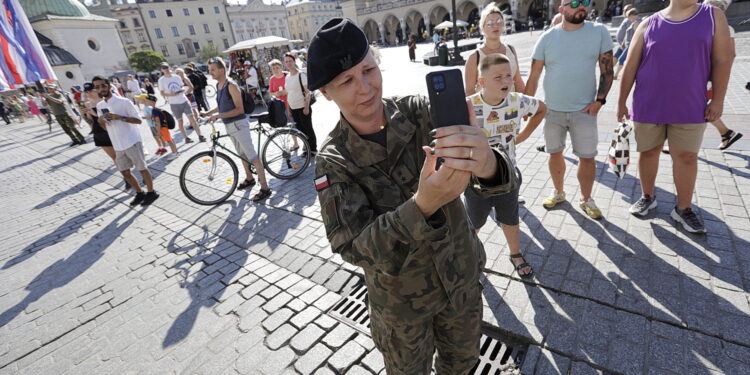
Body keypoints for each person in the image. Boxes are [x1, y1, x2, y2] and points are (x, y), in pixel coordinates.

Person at [310, 18, 515, 374]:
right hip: (402, 308)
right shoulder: (334, 162)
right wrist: (423, 205)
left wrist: (487, 163)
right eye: (346, 81)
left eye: (369, 70)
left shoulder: (420, 111)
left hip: (460, 283)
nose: (365, 88)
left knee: (463, 366)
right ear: (326, 93)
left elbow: (499, 182)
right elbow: (354, 247)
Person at [617, 0, 732, 233]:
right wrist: (620, 102)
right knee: (648, 152)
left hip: (689, 104)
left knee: (687, 157)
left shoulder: (712, 15)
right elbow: (630, 66)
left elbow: (723, 59)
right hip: (648, 104)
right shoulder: (648, 23)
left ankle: (683, 208)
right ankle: (648, 196)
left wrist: (718, 99)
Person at [525, 0, 614, 220]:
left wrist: (600, 101)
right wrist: (527, 105)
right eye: (574, 2)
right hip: (552, 111)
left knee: (587, 157)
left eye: (585, 2)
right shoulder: (547, 38)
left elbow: (607, 70)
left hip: (584, 111)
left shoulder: (599, 32)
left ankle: (586, 198)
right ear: (562, 8)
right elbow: (534, 74)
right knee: (554, 153)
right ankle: (559, 192)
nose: (581, 6)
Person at [466, 53, 548, 278]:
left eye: (508, 76)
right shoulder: (469, 106)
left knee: (510, 218)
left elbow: (542, 108)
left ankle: (515, 253)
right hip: (476, 179)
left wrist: (524, 135)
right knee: (474, 222)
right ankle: (467, 254)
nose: (505, 81)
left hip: (508, 175)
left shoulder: (518, 101)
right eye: (498, 77)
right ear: (481, 82)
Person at [200, 57, 272, 202]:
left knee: (252, 156)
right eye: (209, 70)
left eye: (213, 70)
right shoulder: (219, 86)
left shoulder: (231, 85)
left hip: (239, 124)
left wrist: (218, 116)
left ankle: (265, 188)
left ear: (221, 70)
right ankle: (249, 178)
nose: (210, 73)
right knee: (242, 154)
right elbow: (223, 106)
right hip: (229, 125)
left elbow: (239, 109)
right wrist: (208, 113)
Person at [93, 76, 160, 206]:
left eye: (103, 85)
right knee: (124, 172)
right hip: (117, 144)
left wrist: (120, 117)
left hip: (132, 141)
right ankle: (140, 193)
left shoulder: (124, 102)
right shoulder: (100, 105)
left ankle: (152, 192)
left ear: (108, 86)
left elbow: (138, 120)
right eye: (97, 87)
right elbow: (106, 128)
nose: (101, 89)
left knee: (141, 169)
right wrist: (100, 122)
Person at [703, 0, 743, 150]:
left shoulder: (726, 28)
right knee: (701, 107)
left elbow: (731, 55)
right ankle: (726, 133)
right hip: (701, 73)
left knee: (700, 107)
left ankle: (685, 144)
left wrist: (717, 77)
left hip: (708, 75)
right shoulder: (702, 24)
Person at [465, 3, 525, 96]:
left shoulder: (511, 50)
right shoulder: (474, 57)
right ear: (482, 27)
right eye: (490, 23)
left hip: (511, 107)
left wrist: (524, 106)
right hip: (486, 108)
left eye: (499, 22)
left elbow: (518, 81)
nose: (495, 25)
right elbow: (469, 91)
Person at [158, 62, 205, 144]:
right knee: (180, 121)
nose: (166, 69)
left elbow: (181, 86)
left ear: (169, 67)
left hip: (184, 100)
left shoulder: (176, 77)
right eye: (164, 68)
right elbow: (161, 93)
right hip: (174, 104)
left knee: (192, 118)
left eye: (167, 67)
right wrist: (170, 94)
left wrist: (182, 90)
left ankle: (200, 136)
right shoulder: (161, 80)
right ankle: (186, 138)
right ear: (161, 70)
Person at [283, 52, 317, 156]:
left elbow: (308, 92)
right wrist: (288, 109)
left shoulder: (300, 75)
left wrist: (306, 107)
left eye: (290, 61)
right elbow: (288, 93)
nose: (288, 63)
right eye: (286, 62)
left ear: (294, 61)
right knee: (300, 130)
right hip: (293, 107)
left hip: (303, 106)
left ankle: (313, 149)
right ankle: (306, 148)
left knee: (308, 128)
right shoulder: (287, 76)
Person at [138, 94, 179, 158]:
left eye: (148, 100)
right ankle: (176, 151)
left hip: (162, 127)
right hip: (164, 126)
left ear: (152, 102)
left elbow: (157, 121)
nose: (147, 101)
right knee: (170, 139)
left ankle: (175, 153)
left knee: (169, 140)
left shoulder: (154, 110)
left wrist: (159, 132)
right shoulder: (157, 109)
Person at [613, 9, 640, 80]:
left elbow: (637, 36)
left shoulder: (637, 23)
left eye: (628, 16)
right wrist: (624, 43)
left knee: (621, 59)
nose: (627, 18)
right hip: (628, 45)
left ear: (632, 16)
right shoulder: (633, 22)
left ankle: (616, 75)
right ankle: (618, 75)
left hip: (631, 46)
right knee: (623, 60)